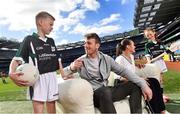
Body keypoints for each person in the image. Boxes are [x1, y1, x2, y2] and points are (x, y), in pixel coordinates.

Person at [63, 33, 152, 113]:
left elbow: (123, 71)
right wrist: (72, 67)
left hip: (107, 91)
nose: (85, 45)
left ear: (97, 45)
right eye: (85, 43)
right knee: (104, 91)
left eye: (89, 43)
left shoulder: (106, 59)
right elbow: (63, 74)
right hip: (93, 94)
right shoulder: (80, 61)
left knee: (134, 85)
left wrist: (142, 83)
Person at [9, 11, 63, 114]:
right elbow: (16, 59)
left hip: (52, 77)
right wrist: (11, 73)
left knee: (52, 106)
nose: (52, 27)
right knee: (39, 109)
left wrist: (64, 75)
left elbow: (58, 62)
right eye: (50, 24)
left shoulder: (51, 41)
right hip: (38, 78)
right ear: (40, 22)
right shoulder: (29, 39)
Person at [115, 39, 166, 114]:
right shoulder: (119, 59)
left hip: (134, 80)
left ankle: (162, 110)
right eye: (133, 45)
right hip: (123, 83)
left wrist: (137, 64)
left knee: (154, 81)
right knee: (149, 84)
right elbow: (119, 77)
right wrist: (138, 79)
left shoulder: (131, 57)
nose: (135, 46)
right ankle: (156, 111)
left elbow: (130, 68)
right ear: (128, 47)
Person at [144, 27, 170, 103]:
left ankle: (161, 95)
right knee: (156, 81)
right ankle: (157, 96)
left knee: (161, 80)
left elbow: (163, 54)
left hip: (161, 62)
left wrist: (164, 54)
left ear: (154, 33)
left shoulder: (160, 43)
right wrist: (150, 62)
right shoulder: (147, 45)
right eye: (147, 35)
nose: (149, 36)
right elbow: (148, 56)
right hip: (153, 64)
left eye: (150, 34)